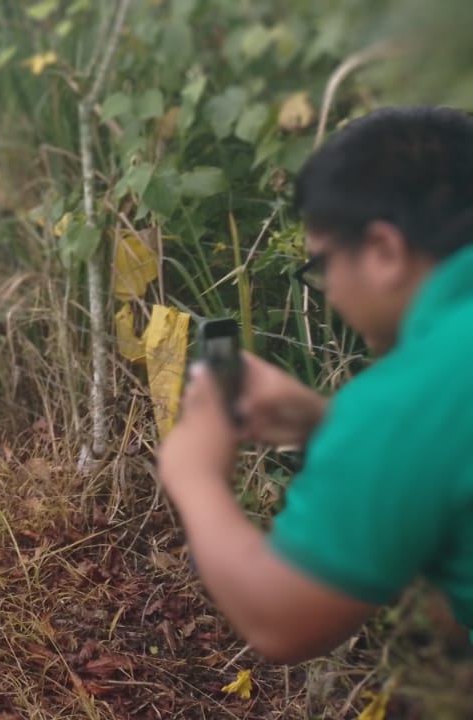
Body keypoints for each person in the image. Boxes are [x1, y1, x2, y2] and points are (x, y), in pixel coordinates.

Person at [158, 105, 473, 664]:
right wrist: (332, 429)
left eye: (321, 266)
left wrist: (194, 474)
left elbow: (282, 619)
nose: (329, 290)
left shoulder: (412, 395)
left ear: (384, 251)